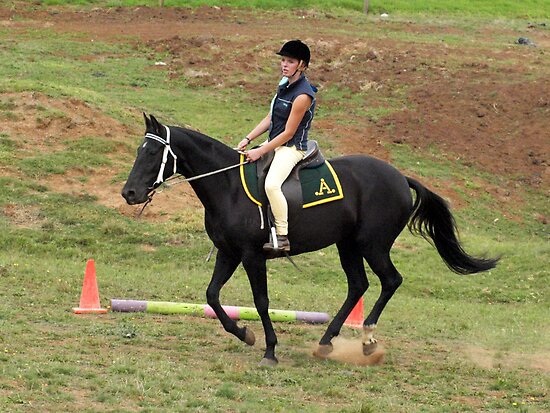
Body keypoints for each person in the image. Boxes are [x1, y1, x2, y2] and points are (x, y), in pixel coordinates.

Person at [238, 40, 317, 252]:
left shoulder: (303, 95)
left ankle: (282, 236)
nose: (284, 65)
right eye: (283, 60)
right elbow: (271, 117)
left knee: (272, 185)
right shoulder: (284, 83)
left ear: (301, 65)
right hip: (275, 141)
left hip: (291, 148)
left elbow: (289, 133)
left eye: (290, 61)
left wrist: (261, 150)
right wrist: (248, 139)